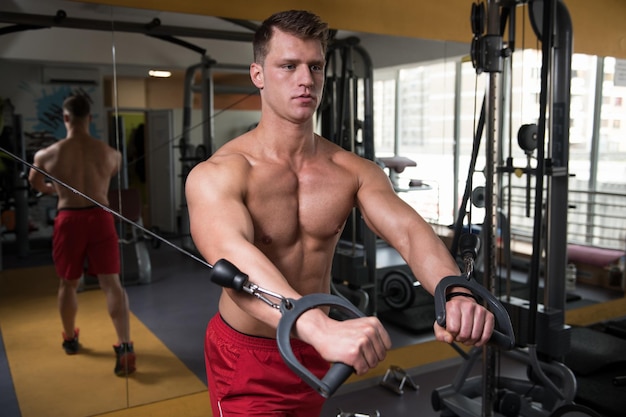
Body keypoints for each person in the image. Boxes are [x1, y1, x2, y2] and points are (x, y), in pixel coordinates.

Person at [185, 10, 494, 416]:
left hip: (316, 350)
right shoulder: (219, 174)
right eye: (289, 66)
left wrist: (452, 291)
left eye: (315, 66)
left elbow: (409, 232)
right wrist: (318, 325)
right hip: (250, 356)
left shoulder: (352, 171)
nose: (305, 79)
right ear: (258, 74)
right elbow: (230, 254)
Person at [28, 94, 136, 377]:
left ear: (66, 118)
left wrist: (55, 189)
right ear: (89, 118)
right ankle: (125, 345)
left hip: (69, 219)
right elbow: (111, 172)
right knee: (111, 284)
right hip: (101, 217)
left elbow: (36, 183)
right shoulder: (111, 153)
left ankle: (70, 339)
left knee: (68, 284)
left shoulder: (47, 155)